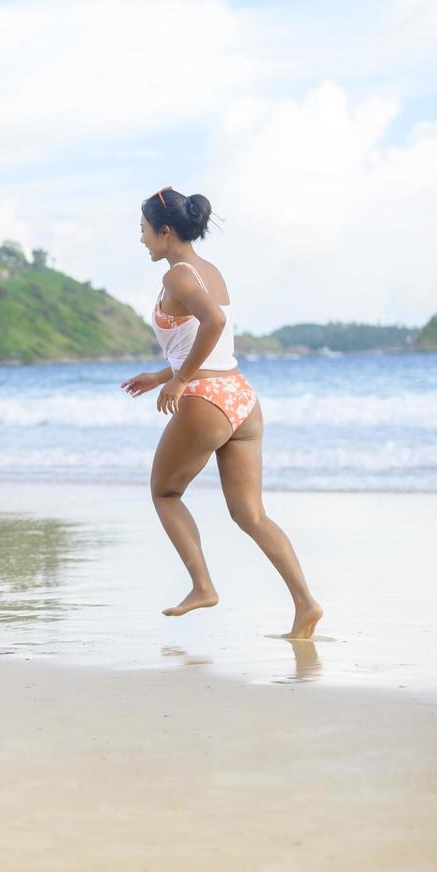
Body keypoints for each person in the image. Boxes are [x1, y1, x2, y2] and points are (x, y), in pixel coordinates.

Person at [121, 187, 324, 640]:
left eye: (144, 231)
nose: (142, 240)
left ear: (165, 231)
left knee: (165, 493)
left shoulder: (177, 276)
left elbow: (213, 323)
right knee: (251, 514)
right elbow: (205, 338)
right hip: (241, 399)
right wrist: (161, 375)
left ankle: (202, 586)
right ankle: (305, 603)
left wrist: (179, 381)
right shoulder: (209, 270)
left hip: (207, 399)